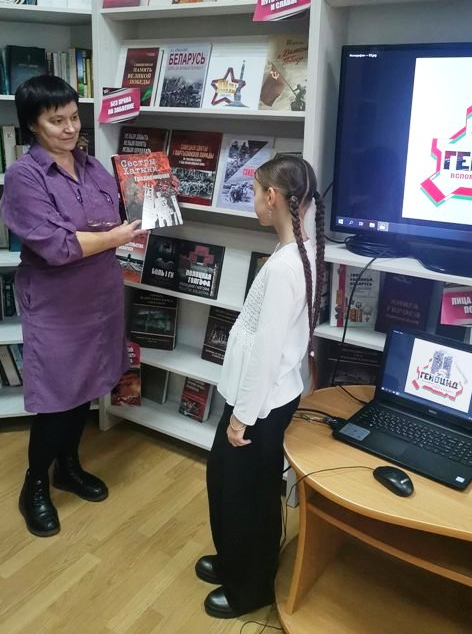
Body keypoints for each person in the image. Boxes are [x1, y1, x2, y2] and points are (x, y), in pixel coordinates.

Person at [0, 75, 142, 538]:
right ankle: (34, 486)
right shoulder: (24, 177)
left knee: (89, 385)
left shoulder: (94, 166)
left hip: (100, 296)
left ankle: (68, 466)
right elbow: (57, 246)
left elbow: (119, 212)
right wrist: (115, 237)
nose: (69, 128)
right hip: (57, 303)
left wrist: (153, 195)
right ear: (32, 125)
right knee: (58, 396)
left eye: (74, 117)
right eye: (55, 120)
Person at [197, 154, 325, 618]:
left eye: (253, 192)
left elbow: (268, 350)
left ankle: (250, 587)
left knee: (244, 497)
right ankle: (234, 561)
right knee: (225, 482)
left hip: (259, 406)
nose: (252, 200)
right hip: (257, 399)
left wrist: (241, 419)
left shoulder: (286, 267)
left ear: (272, 198)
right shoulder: (297, 250)